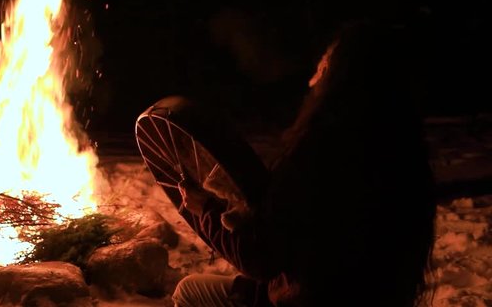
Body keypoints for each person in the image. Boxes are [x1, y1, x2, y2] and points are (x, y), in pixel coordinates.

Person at [171, 22, 437, 307]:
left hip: (312, 299)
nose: (317, 68)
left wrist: (207, 211)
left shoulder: (321, 150)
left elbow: (262, 259)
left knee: (189, 291)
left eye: (327, 60)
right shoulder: (404, 153)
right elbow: (312, 232)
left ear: (340, 76)